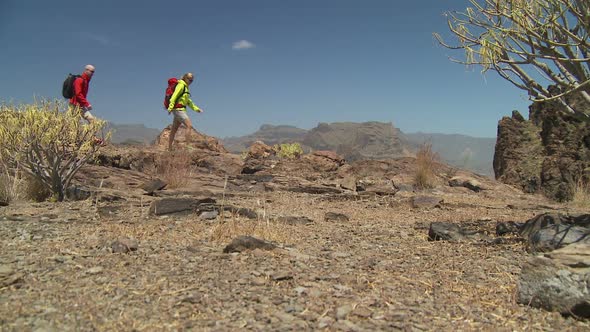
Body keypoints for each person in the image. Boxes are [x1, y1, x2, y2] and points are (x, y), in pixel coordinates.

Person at [167, 72, 203, 151]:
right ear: (185, 78)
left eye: (192, 80)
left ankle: (169, 148)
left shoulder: (186, 88)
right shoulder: (181, 85)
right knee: (189, 125)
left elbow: (188, 102)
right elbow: (174, 96)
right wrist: (170, 108)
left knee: (174, 130)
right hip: (178, 110)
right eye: (189, 80)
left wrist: (197, 109)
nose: (190, 82)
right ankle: (188, 147)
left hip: (180, 110)